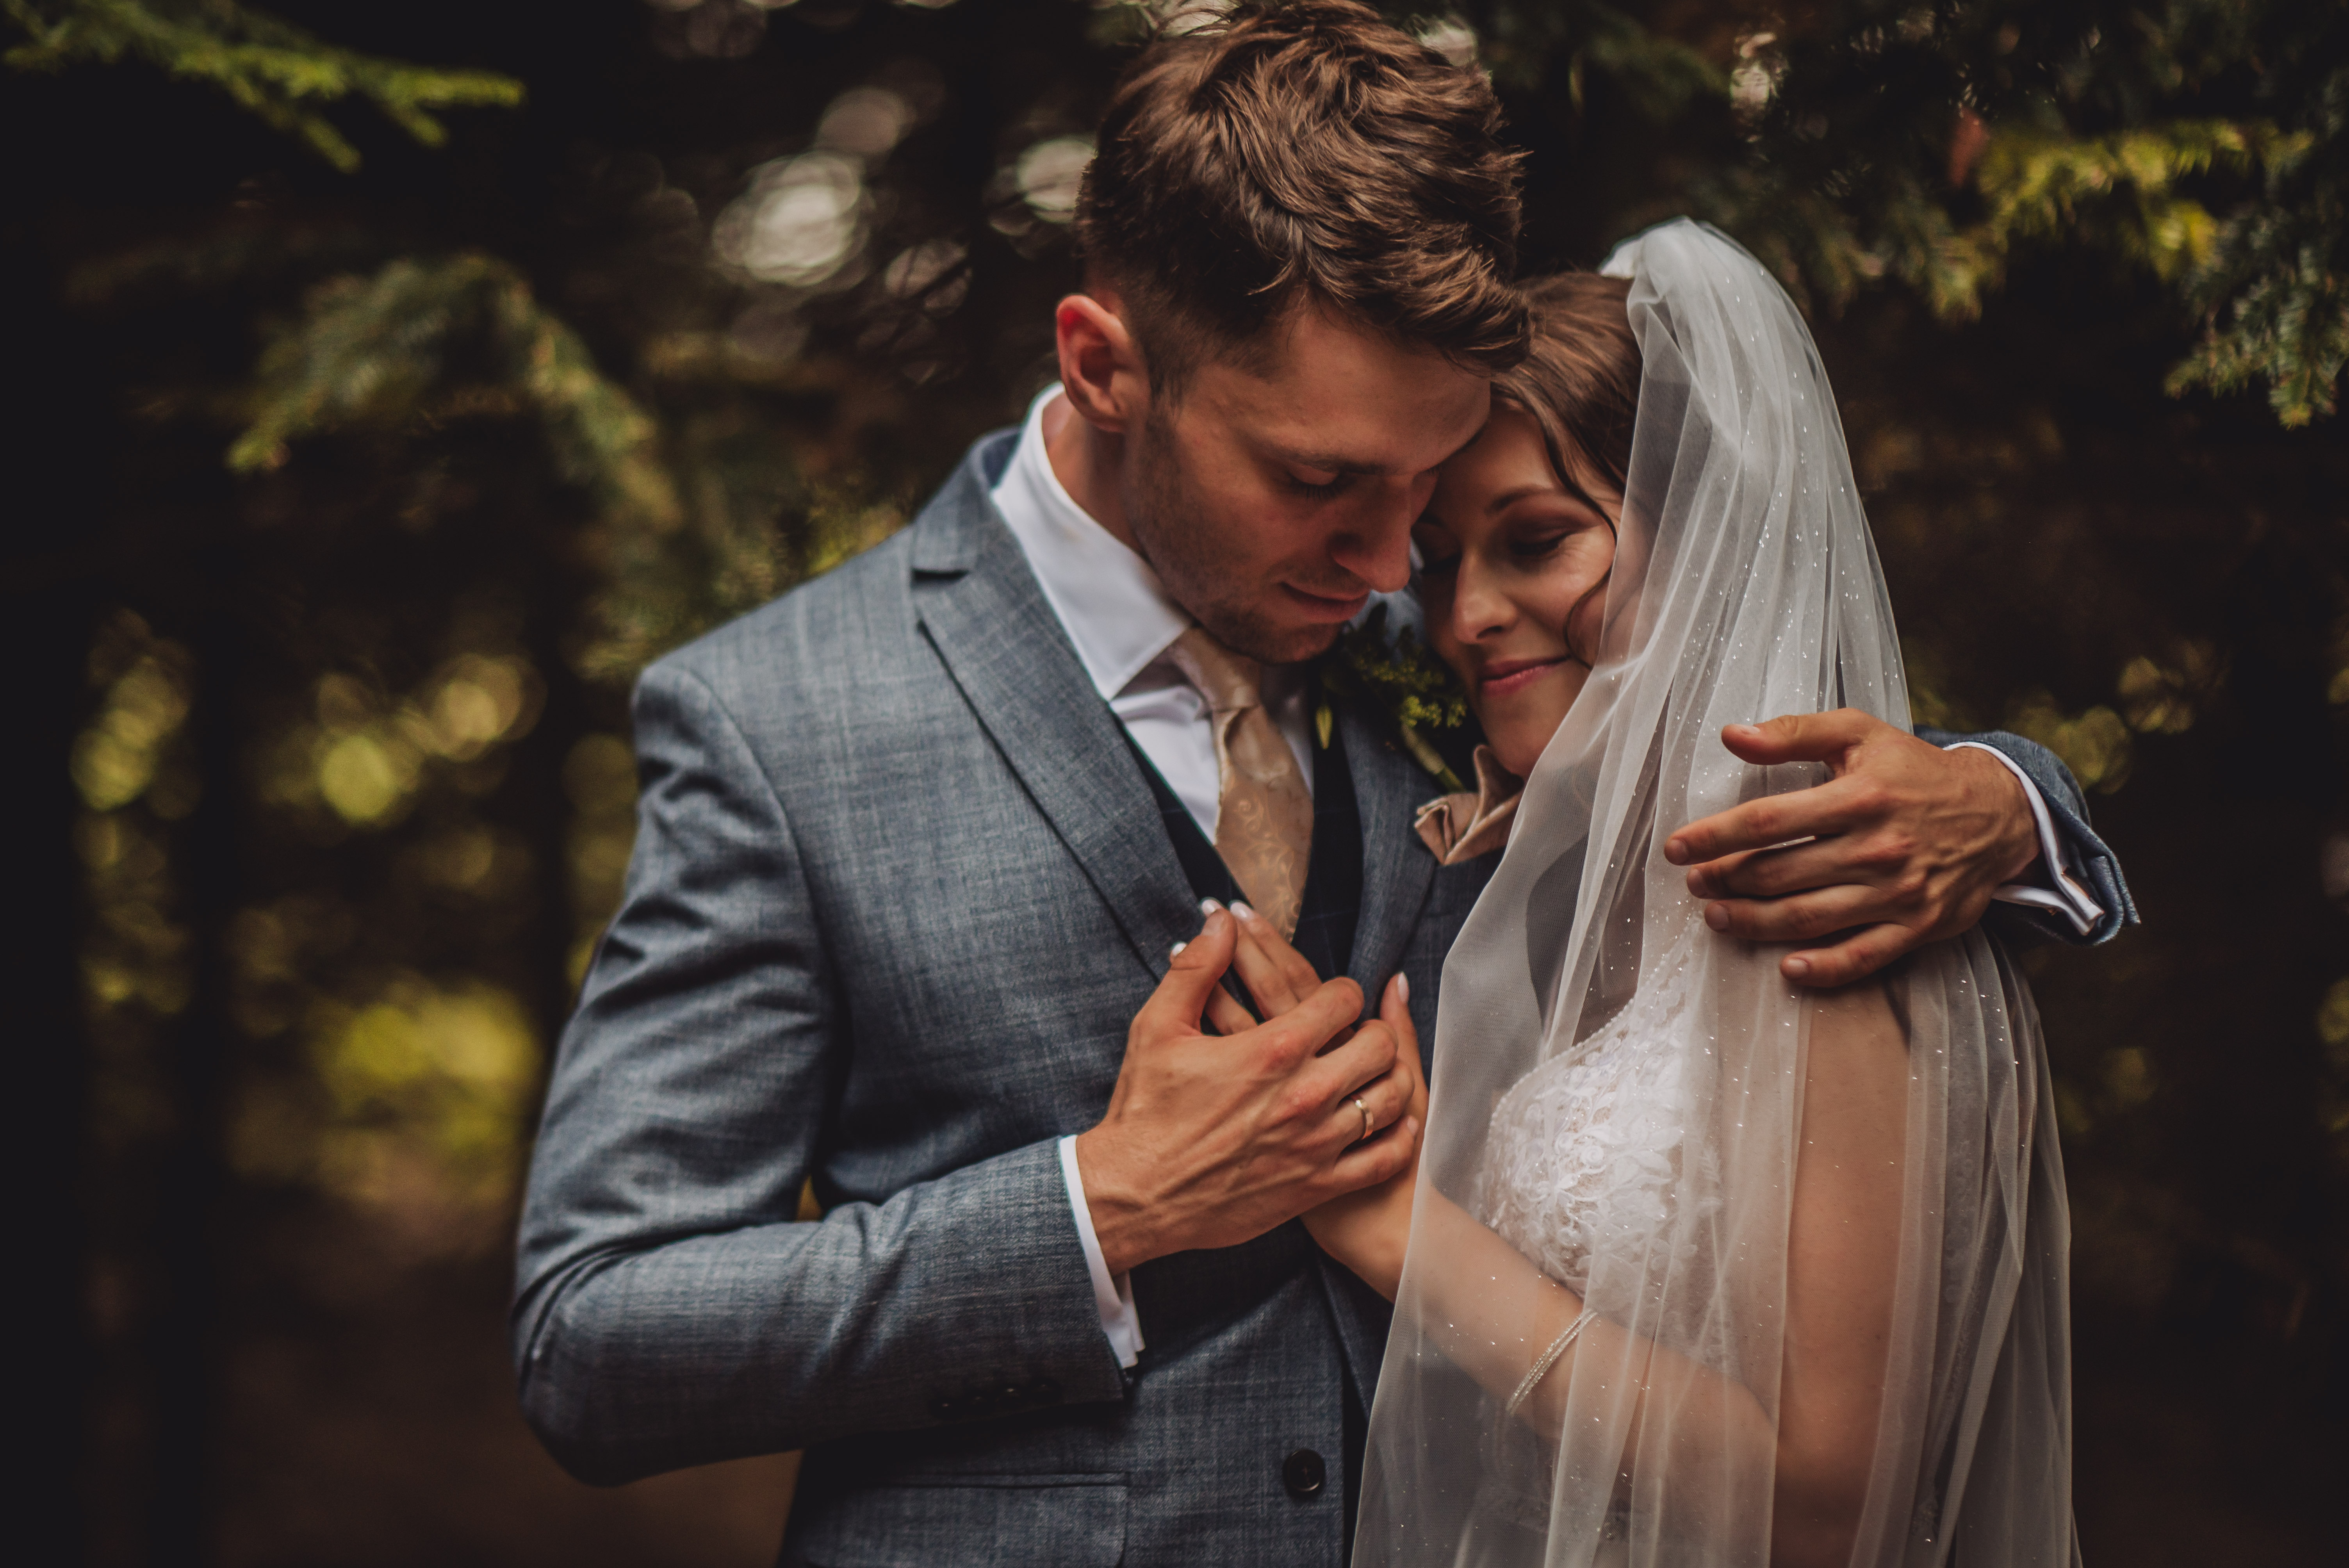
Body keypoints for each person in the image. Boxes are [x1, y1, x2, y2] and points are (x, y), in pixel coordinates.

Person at [510, 9, 2126, 1564]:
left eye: (1421, 489)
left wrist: (2006, 801)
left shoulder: (1468, 647)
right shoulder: (777, 720)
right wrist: (1099, 1208)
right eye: (1319, 482)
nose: (1385, 569)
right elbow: (596, 1333)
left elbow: (1721, 721)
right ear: (1103, 362)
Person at [1208, 221, 2085, 1565]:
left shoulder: (1826, 896)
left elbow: (1822, 1503)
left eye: (1542, 541)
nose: (1464, 617)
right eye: (1447, 561)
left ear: (1717, 543)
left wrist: (1400, 1234)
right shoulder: (1579, 857)